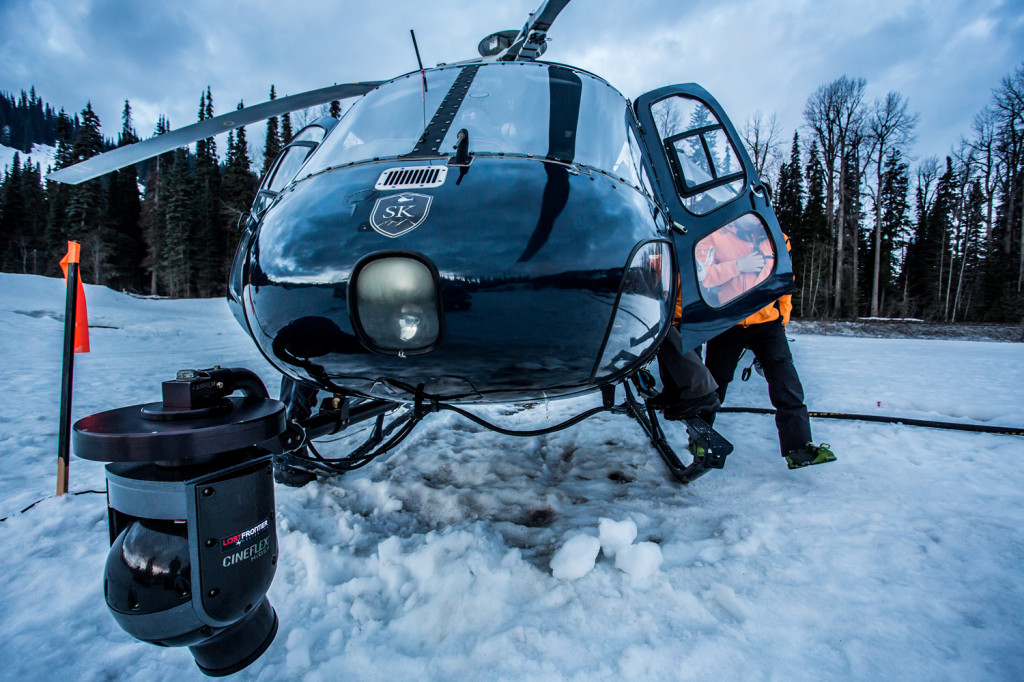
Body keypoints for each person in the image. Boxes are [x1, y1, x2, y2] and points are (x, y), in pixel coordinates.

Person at [700, 229, 836, 470]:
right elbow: (703, 277)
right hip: (727, 320)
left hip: (766, 322)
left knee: (786, 380)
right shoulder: (714, 235)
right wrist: (738, 265)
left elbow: (785, 280)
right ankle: (700, 438)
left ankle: (799, 447)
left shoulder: (779, 238)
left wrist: (783, 316)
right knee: (714, 382)